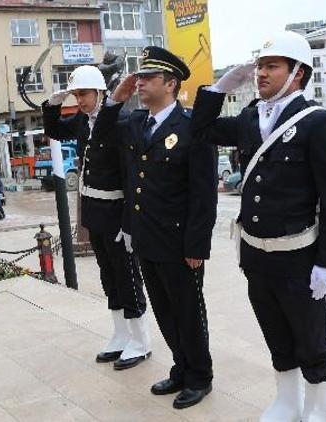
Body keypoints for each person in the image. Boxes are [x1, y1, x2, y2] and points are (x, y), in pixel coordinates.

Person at [191, 31, 326, 421]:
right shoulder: (251, 118)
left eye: (271, 66)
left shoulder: (319, 124)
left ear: (297, 73)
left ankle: (318, 409)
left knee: (312, 338)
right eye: (260, 65)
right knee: (276, 332)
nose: (261, 73)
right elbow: (202, 129)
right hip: (257, 255)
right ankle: (287, 400)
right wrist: (219, 87)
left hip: (299, 257)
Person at [93, 46, 218, 409]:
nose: (140, 82)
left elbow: (204, 193)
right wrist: (116, 98)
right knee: (164, 310)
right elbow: (101, 134)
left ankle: (200, 376)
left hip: (180, 242)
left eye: (148, 77)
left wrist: (197, 246)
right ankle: (181, 368)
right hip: (146, 238)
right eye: (139, 76)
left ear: (171, 83)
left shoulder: (192, 126)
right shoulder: (136, 122)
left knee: (189, 311)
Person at [43, 65, 151, 370]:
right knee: (109, 277)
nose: (80, 100)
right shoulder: (81, 122)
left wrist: (130, 222)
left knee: (128, 277)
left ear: (100, 92)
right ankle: (120, 335)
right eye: (77, 94)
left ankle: (140, 340)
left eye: (84, 94)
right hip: (95, 211)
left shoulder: (121, 120)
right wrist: (54, 103)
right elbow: (54, 130)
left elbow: (131, 176)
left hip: (117, 211)